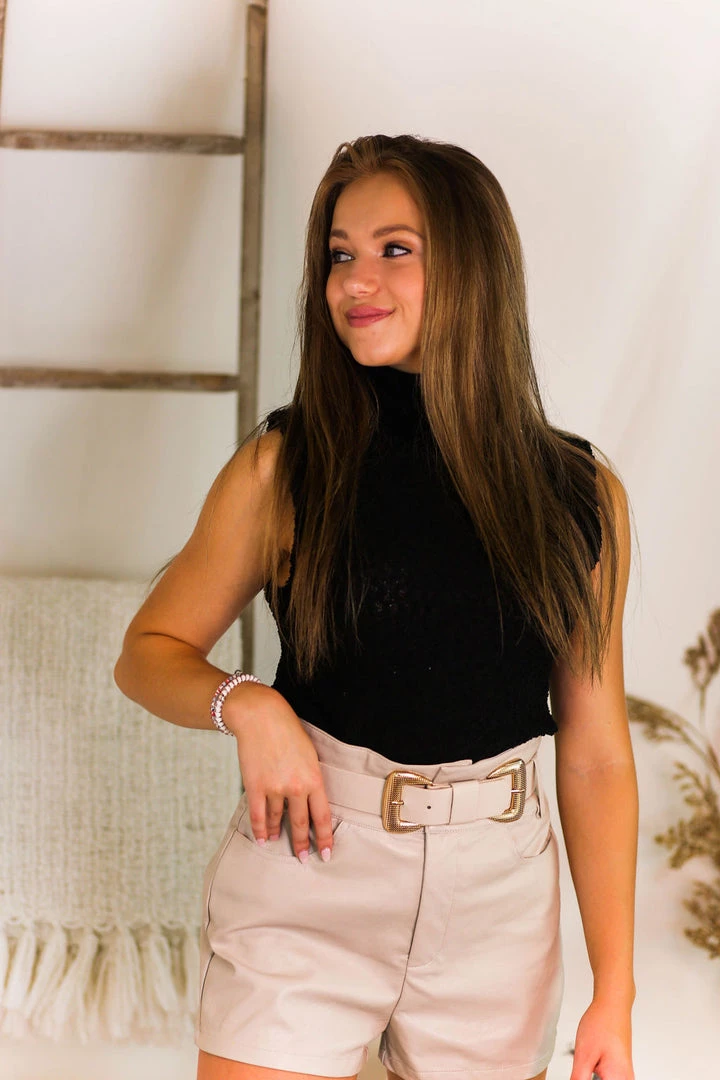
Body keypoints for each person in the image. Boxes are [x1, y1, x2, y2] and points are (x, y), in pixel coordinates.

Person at [114, 134, 637, 1080]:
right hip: (309, 869)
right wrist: (250, 705)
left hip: (498, 907)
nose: (355, 280)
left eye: (396, 248)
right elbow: (148, 651)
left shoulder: (580, 493)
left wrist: (616, 991)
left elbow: (596, 754)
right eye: (340, 253)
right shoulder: (284, 469)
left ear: (473, 267)